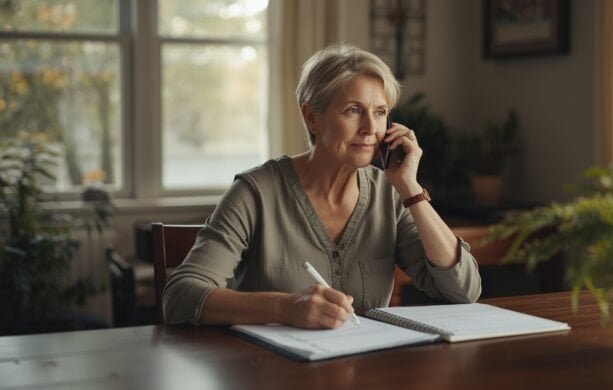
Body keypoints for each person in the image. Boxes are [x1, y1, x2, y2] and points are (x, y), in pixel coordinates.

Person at [163, 43, 481, 329]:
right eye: (353, 111)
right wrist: (285, 307)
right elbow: (181, 296)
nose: (371, 128)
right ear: (311, 117)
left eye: (381, 112)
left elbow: (463, 290)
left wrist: (410, 188)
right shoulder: (255, 192)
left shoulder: (391, 194)